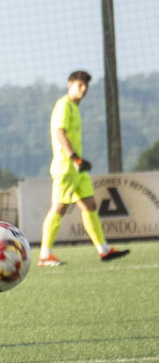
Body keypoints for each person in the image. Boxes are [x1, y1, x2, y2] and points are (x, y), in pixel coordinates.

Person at [38, 71, 130, 266]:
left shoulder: (74, 107)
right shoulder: (63, 105)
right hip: (66, 167)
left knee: (90, 205)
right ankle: (45, 255)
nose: (84, 89)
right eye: (79, 85)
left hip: (77, 169)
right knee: (59, 207)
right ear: (70, 84)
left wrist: (78, 161)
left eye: (86, 85)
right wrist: (73, 158)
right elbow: (59, 133)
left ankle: (104, 250)